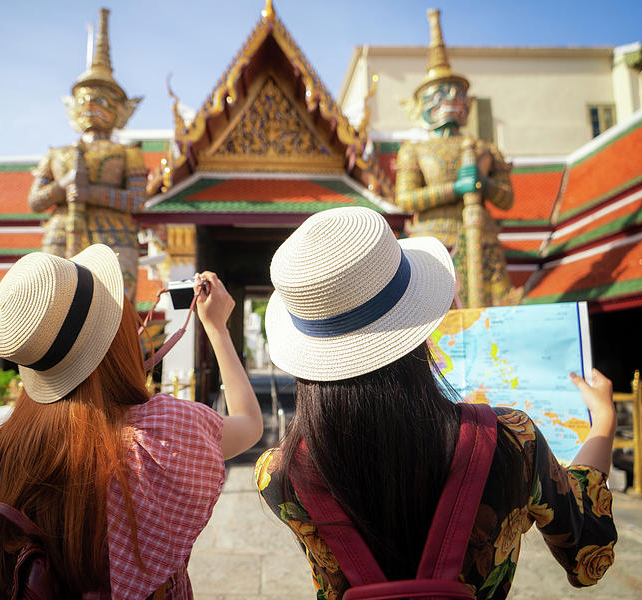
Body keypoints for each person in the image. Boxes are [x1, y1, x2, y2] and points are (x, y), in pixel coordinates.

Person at [255, 206, 617, 599]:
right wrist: (603, 422)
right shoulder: (515, 442)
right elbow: (585, 550)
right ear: (424, 325)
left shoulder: (280, 474)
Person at [0, 244, 263, 599]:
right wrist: (216, 328)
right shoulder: (163, 430)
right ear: (119, 336)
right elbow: (249, 424)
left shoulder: (8, 444)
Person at [395, 9, 518, 307]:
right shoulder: (414, 149)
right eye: (438, 96)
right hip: (430, 241)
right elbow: (406, 199)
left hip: (479, 237)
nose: (448, 101)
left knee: (491, 312)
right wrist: (456, 189)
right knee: (426, 314)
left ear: (467, 102)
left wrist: (483, 185)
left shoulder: (483, 148)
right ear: (420, 106)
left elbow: (507, 199)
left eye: (455, 94)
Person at [28, 9, 147, 300]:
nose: (92, 104)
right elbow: (34, 201)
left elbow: (137, 200)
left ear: (120, 110)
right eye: (85, 99)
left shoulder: (127, 153)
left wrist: (90, 193)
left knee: (112, 307)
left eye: (102, 99)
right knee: (53, 304)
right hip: (61, 232)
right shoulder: (58, 154)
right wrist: (64, 185)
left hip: (113, 236)